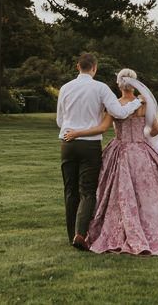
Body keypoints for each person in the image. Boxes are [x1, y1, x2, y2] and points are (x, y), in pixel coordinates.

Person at [64, 69, 158, 255]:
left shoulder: (115, 106)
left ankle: (118, 231)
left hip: (119, 151)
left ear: (118, 84)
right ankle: (149, 230)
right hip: (141, 151)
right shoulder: (144, 104)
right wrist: (145, 133)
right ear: (135, 83)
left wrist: (77, 133)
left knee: (117, 195)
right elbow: (155, 129)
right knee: (146, 194)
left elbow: (103, 127)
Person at [56, 53, 144, 250]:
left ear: (78, 66)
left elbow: (60, 121)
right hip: (89, 145)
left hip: (68, 143)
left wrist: (72, 128)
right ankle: (81, 234)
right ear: (94, 68)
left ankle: (71, 234)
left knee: (70, 191)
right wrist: (138, 101)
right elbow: (120, 113)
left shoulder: (65, 88)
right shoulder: (100, 88)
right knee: (87, 191)